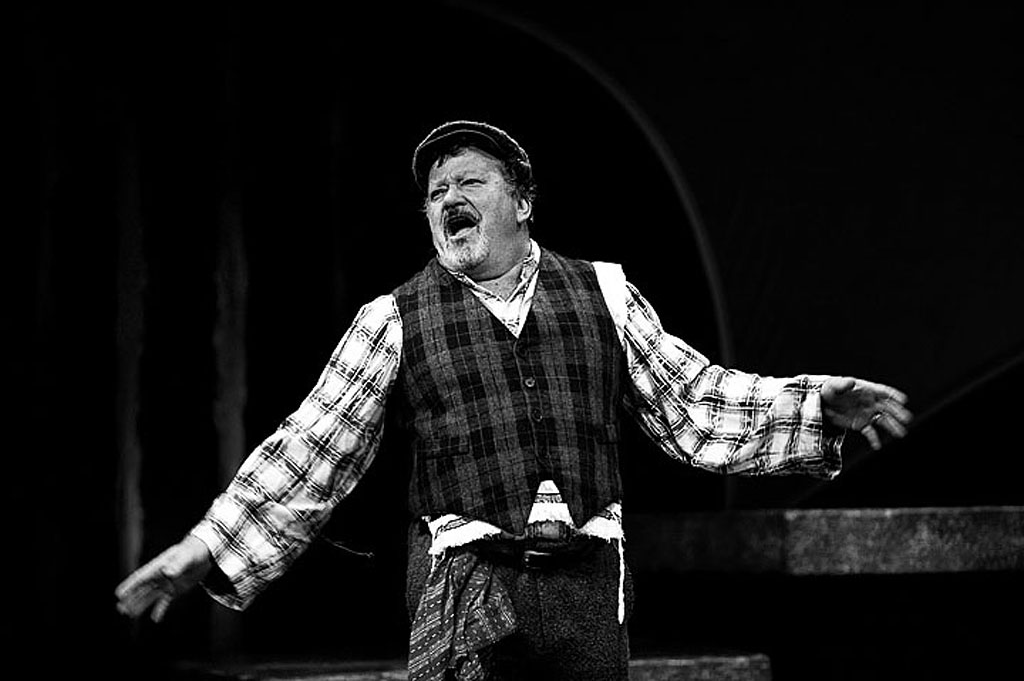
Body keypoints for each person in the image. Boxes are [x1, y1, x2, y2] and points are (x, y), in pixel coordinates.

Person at [115, 120, 913, 680]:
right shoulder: (393, 318)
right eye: (436, 191)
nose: (447, 198)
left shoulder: (605, 292)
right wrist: (204, 547)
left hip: (587, 585)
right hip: (465, 584)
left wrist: (814, 405)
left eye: (469, 181)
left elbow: (695, 404)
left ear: (523, 201)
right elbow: (311, 448)